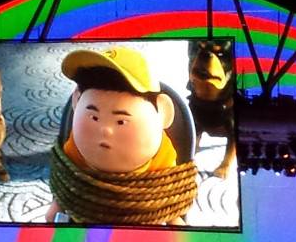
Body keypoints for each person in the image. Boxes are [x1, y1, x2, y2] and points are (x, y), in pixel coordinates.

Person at [46, 46, 197, 225]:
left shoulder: (163, 158)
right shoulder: (72, 150)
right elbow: (65, 184)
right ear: (77, 100)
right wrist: (56, 208)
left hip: (145, 227)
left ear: (163, 113)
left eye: (120, 121)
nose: (105, 130)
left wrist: (175, 223)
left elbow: (170, 195)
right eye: (94, 117)